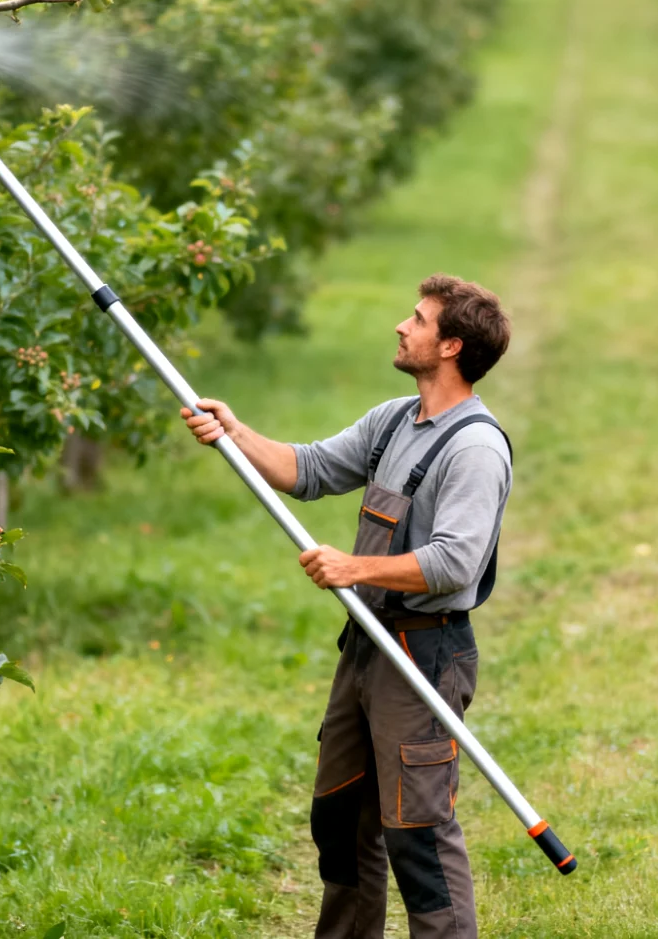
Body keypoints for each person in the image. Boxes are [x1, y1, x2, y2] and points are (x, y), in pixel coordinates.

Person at [182, 273, 513, 939]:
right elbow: (308, 469)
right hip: (367, 642)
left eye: (417, 319)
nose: (401, 325)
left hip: (424, 652)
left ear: (451, 346)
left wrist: (354, 565)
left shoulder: (475, 447)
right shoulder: (394, 419)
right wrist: (235, 433)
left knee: (416, 832)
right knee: (340, 821)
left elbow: (456, 560)